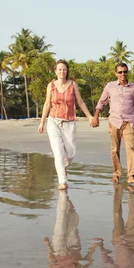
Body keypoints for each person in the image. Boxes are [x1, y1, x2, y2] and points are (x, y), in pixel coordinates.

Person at [39, 59, 94, 190]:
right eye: (59, 69)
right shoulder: (50, 86)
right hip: (53, 122)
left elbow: (80, 102)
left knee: (71, 153)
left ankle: (64, 167)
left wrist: (90, 117)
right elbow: (47, 104)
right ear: (55, 71)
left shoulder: (72, 85)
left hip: (69, 123)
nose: (62, 72)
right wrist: (42, 122)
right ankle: (62, 181)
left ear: (67, 71)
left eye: (64, 69)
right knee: (58, 153)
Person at [44, 190, 102, 268]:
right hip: (74, 247)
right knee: (73, 217)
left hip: (59, 249)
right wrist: (94, 247)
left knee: (61, 219)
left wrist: (48, 246)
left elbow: (53, 266)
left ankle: (63, 196)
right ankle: (66, 198)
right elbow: (87, 262)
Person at [91, 62, 134, 184]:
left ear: (127, 72)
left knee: (130, 148)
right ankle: (116, 174)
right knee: (114, 150)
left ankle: (132, 175)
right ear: (116, 73)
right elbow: (101, 102)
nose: (123, 74)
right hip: (114, 122)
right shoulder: (110, 86)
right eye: (120, 72)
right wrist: (95, 117)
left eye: (125, 71)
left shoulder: (133, 87)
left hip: (129, 122)